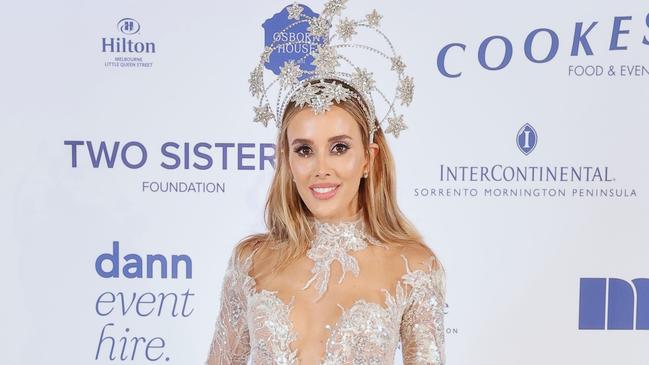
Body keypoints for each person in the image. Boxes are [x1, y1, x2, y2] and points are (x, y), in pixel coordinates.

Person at [206, 2, 445, 364]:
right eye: (304, 150)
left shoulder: (413, 266)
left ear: (368, 158)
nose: (321, 168)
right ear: (287, 159)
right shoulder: (251, 261)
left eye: (339, 148)